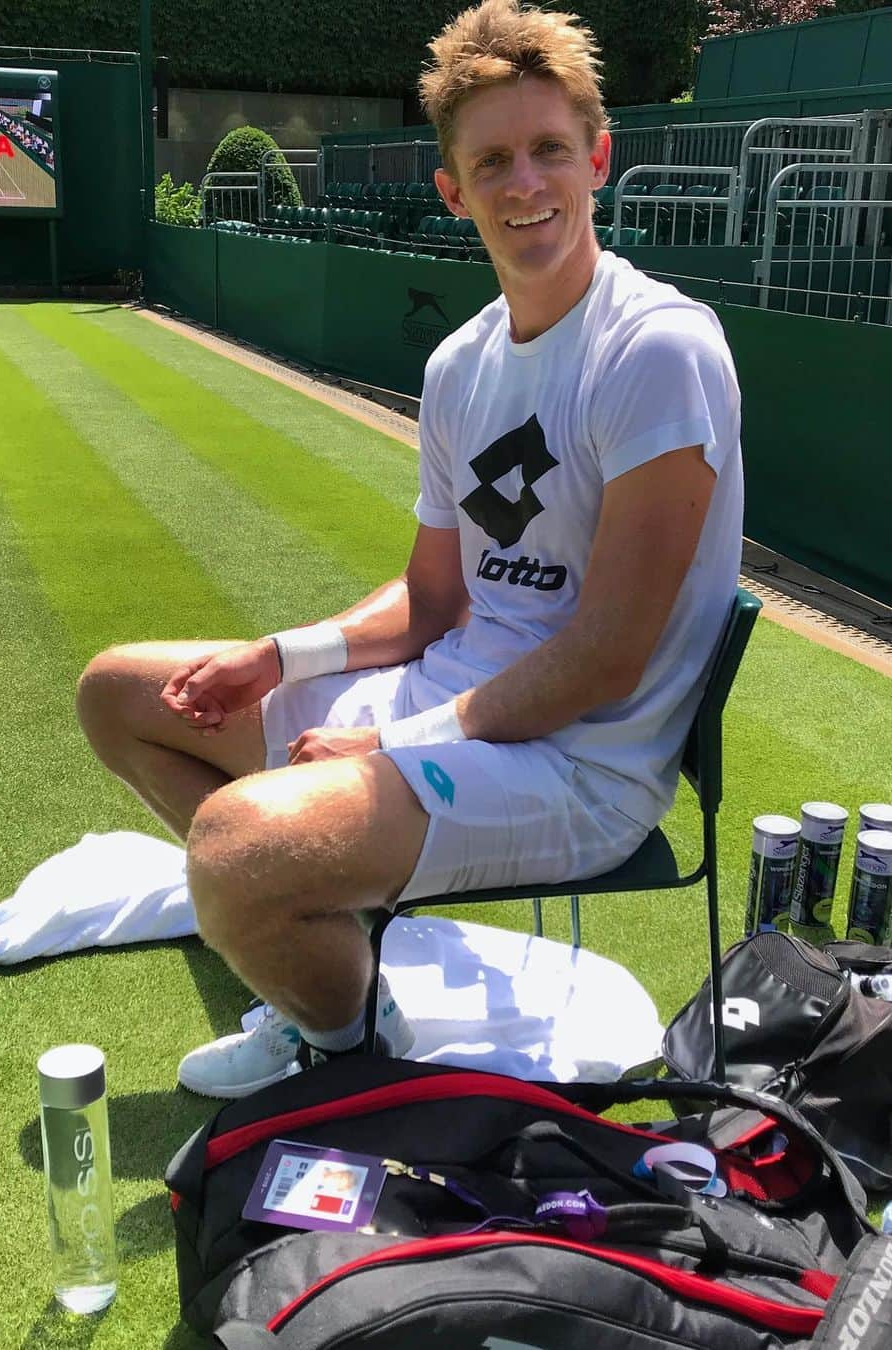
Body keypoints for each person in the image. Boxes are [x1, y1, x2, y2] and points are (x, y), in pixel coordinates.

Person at [76, 0, 743, 1098]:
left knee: (237, 851)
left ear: (599, 158)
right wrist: (278, 658)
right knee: (119, 694)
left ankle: (337, 1035)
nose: (525, 184)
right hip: (454, 704)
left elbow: (606, 660)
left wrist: (391, 749)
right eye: (493, 161)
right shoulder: (458, 365)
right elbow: (435, 597)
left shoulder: (656, 350)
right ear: (453, 188)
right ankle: (311, 938)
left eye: (548, 151)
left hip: (584, 765)